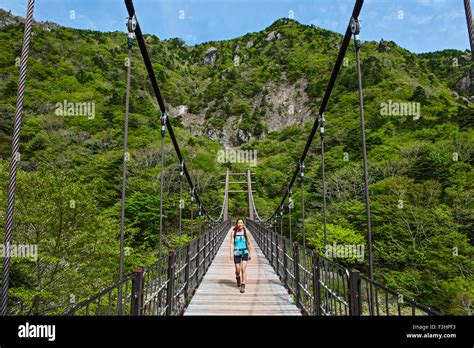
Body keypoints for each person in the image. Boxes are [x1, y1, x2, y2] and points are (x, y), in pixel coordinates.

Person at [229, 218, 252, 293]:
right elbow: (232, 243)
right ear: (236, 224)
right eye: (238, 223)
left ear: (243, 224)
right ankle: (238, 277)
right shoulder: (233, 232)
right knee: (237, 270)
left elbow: (249, 243)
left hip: (244, 251)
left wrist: (250, 253)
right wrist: (231, 254)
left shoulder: (247, 232)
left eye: (241, 223)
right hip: (236, 252)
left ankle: (243, 285)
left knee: (243, 269)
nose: (240, 224)